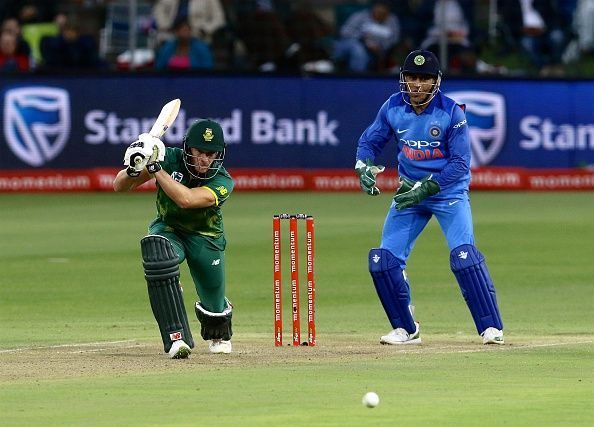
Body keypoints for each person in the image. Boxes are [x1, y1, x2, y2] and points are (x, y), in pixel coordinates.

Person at [354, 49, 504, 346]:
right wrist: (364, 165)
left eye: (424, 78)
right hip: (410, 193)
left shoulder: (451, 112)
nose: (417, 84)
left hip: (448, 193)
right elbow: (369, 141)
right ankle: (406, 329)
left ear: (436, 81)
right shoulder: (392, 106)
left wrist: (428, 186)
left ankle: (491, 327)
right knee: (383, 261)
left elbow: (460, 163)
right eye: (412, 77)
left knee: (464, 257)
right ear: (404, 78)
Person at [113, 119, 234, 358]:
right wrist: (134, 167)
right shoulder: (169, 158)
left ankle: (218, 330)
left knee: (214, 307)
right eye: (199, 152)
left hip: (206, 236)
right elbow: (120, 186)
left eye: (210, 154)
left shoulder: (224, 181)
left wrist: (155, 167)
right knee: (159, 256)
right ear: (188, 148)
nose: (204, 160)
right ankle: (176, 337)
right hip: (169, 228)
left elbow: (186, 200)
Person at [333, 0, 400, 73]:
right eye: (378, 12)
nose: (380, 15)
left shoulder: (392, 20)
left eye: (383, 14)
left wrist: (380, 46)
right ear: (374, 9)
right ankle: (356, 77)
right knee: (358, 50)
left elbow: (394, 39)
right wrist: (363, 39)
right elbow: (344, 32)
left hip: (378, 50)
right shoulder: (361, 16)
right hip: (352, 44)